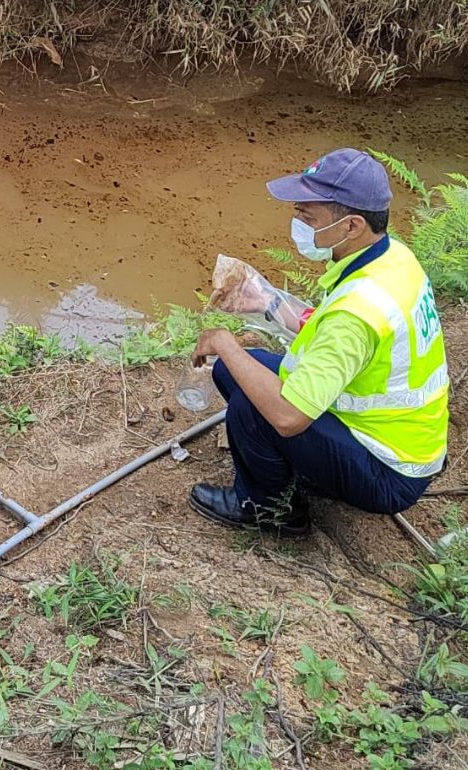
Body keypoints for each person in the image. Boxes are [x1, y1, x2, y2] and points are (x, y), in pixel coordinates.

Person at [190, 149, 448, 535]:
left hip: (389, 471)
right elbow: (338, 339)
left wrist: (226, 342)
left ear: (352, 225)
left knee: (254, 407)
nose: (297, 221)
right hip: (388, 436)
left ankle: (267, 510)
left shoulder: (357, 312)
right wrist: (268, 303)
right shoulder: (391, 257)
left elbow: (289, 417)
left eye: (307, 216)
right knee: (239, 370)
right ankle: (294, 469)